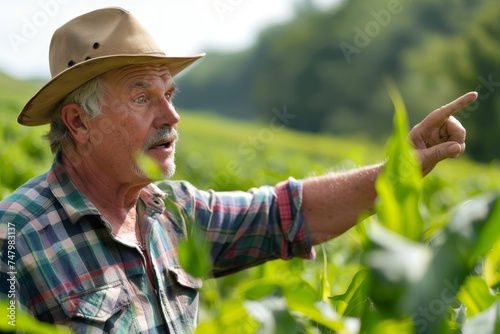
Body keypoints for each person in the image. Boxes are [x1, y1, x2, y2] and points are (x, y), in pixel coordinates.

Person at [0, 7, 477, 334]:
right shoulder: (13, 237)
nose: (171, 116)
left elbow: (284, 214)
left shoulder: (176, 213)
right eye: (142, 96)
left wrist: (402, 167)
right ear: (79, 122)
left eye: (170, 94)